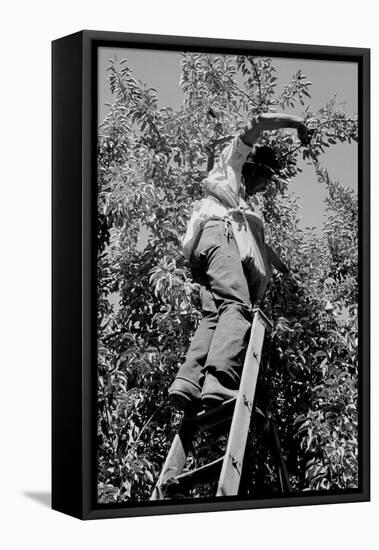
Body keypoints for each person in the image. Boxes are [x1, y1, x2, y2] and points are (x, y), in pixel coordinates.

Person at [168, 113, 311, 411]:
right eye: (266, 179)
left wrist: (286, 270)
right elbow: (256, 122)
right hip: (219, 239)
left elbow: (260, 248)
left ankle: (188, 382)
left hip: (204, 252)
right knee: (237, 306)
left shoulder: (240, 204)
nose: (266, 187)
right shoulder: (230, 167)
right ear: (253, 168)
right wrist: (297, 123)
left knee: (214, 315)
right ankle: (220, 381)